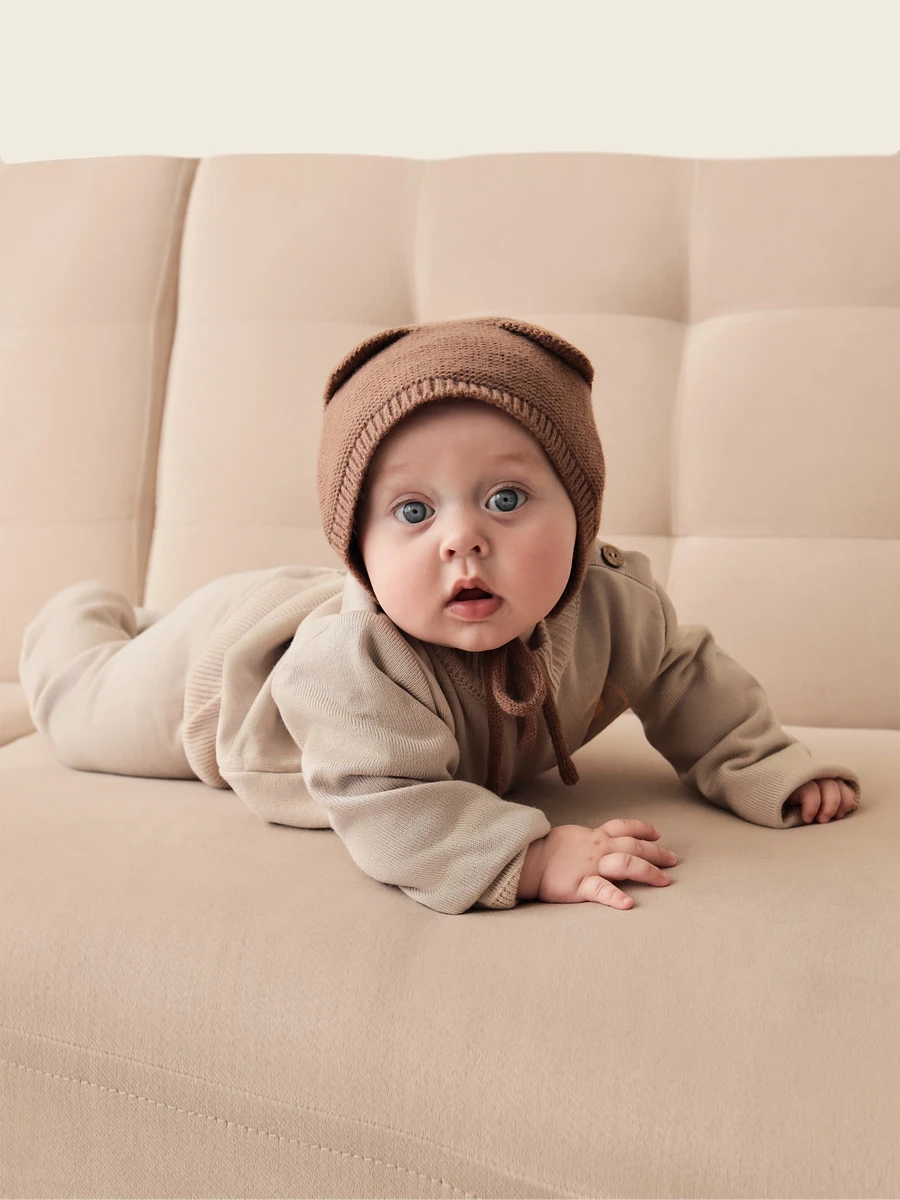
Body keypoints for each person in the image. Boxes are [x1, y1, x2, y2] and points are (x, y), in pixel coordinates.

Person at [18, 316, 861, 915]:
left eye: (506, 498)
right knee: (77, 705)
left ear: (581, 514)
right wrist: (533, 855)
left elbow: (685, 675)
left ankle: (143, 617)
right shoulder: (348, 666)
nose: (464, 539)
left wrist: (764, 764)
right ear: (358, 547)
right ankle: (82, 609)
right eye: (414, 512)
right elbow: (389, 803)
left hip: (299, 606)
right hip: (219, 677)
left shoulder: (614, 604)